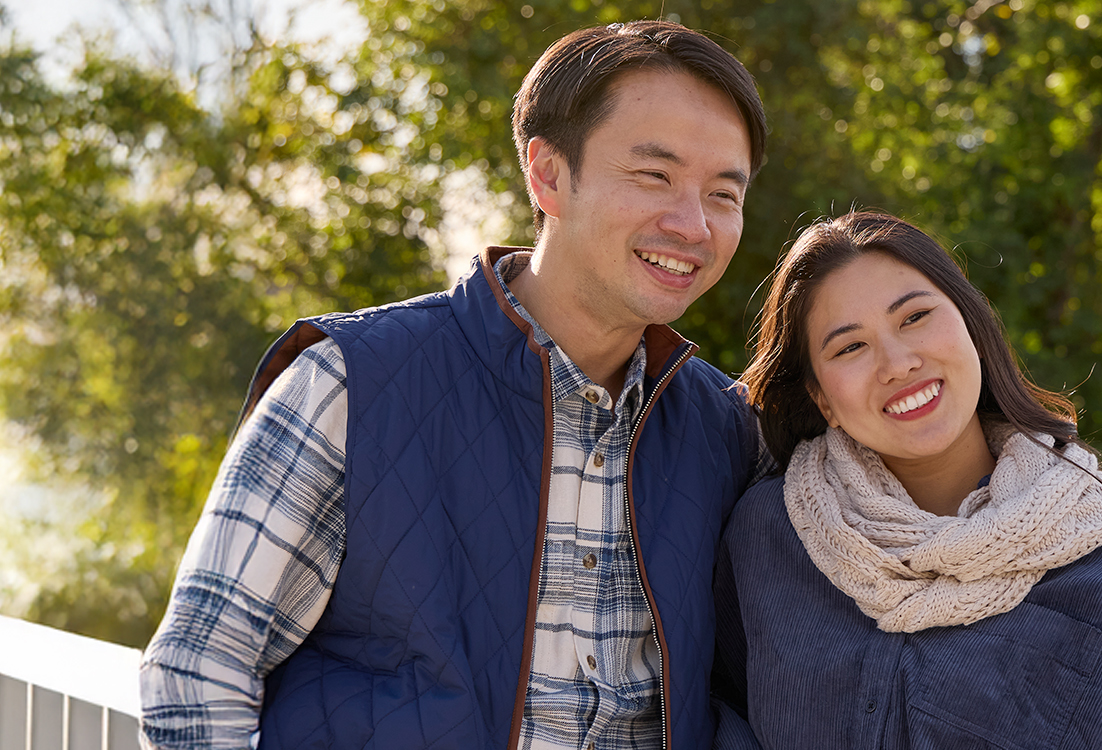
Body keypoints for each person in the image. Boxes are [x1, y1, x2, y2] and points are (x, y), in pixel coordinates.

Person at [139, 21, 768, 749]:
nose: (692, 224)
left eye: (724, 194)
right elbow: (198, 672)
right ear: (548, 174)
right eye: (654, 175)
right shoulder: (351, 381)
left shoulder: (726, 432)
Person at [716, 211, 1102, 748]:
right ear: (822, 399)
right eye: (850, 346)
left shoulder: (1101, 567)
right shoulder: (770, 534)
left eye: (915, 317)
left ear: (971, 327)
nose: (897, 362)